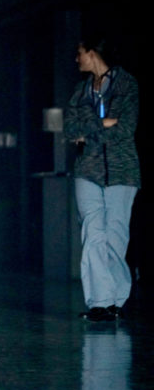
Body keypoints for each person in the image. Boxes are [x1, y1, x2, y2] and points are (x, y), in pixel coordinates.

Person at [65, 35, 140, 322]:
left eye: (79, 53)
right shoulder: (80, 91)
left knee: (115, 235)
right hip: (88, 170)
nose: (77, 59)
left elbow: (126, 128)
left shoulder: (126, 84)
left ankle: (117, 299)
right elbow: (71, 130)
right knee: (93, 234)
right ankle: (99, 302)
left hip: (122, 171)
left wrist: (90, 131)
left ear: (93, 53)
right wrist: (105, 122)